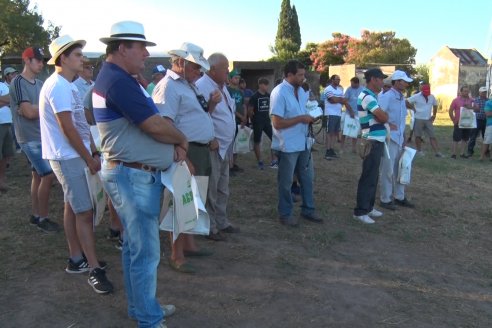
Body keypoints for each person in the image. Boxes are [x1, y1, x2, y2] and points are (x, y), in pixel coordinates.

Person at [94, 21, 184, 327]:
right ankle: (149, 318)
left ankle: (142, 308)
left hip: (130, 174)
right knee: (144, 252)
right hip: (132, 176)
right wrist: (181, 139)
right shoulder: (118, 81)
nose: (146, 54)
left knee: (135, 247)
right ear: (122, 48)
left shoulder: (119, 78)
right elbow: (153, 124)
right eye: (141, 47)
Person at [39, 35, 112, 293]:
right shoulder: (58, 86)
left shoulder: (68, 85)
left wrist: (92, 149)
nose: (83, 59)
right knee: (84, 211)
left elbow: (79, 126)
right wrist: (88, 157)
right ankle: (93, 268)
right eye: (78, 55)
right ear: (63, 58)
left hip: (73, 155)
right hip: (67, 156)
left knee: (73, 206)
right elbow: (67, 127)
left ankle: (76, 258)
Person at [152, 42, 215, 273]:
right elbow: (164, 123)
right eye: (196, 66)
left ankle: (188, 244)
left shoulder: (188, 85)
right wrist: (180, 153)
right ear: (180, 63)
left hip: (198, 150)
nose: (200, 72)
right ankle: (176, 254)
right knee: (180, 200)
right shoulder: (168, 86)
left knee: (193, 199)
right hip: (183, 152)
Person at [9, 46, 60, 232]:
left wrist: (39, 110)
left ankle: (36, 215)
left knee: (38, 176)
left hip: (40, 136)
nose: (41, 63)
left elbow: (33, 110)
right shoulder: (18, 82)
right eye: (37, 60)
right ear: (27, 60)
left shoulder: (39, 84)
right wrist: (46, 110)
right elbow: (29, 113)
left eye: (41, 60)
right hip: (28, 138)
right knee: (47, 175)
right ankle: (43, 219)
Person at [270, 60, 323, 227]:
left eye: (303, 74)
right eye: (300, 75)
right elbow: (277, 123)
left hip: (304, 143)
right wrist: (301, 118)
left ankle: (308, 209)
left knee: (307, 179)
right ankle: (285, 214)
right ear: (289, 75)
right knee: (285, 183)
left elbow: (305, 110)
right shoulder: (279, 93)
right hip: (287, 146)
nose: (303, 78)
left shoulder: (302, 91)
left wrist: (312, 116)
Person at [196, 53, 240, 241]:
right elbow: (199, 117)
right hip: (212, 147)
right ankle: (210, 226)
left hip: (224, 147)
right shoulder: (202, 86)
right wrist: (211, 138)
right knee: (210, 189)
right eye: (224, 69)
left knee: (223, 187)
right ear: (212, 69)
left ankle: (221, 221)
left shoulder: (222, 87)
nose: (228, 72)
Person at [353, 68, 389, 224]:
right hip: (371, 140)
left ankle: (368, 207)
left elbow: (382, 116)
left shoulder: (372, 96)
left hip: (376, 139)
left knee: (373, 175)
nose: (383, 82)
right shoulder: (368, 97)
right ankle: (360, 211)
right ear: (374, 79)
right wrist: (383, 117)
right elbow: (382, 116)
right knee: (368, 176)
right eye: (381, 79)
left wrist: (382, 117)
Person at [378, 70, 415, 210]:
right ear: (397, 81)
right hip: (389, 137)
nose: (406, 83)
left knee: (401, 167)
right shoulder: (386, 97)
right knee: (388, 169)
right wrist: (388, 125)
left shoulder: (401, 98)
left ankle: (399, 196)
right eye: (404, 81)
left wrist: (404, 135)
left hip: (399, 138)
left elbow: (401, 120)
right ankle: (385, 198)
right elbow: (377, 114)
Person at [406, 84, 443, 157]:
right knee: (418, 136)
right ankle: (419, 151)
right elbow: (406, 102)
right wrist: (412, 108)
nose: (427, 94)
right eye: (425, 92)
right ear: (421, 91)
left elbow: (435, 105)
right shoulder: (416, 96)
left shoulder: (432, 97)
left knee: (432, 135)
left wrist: (434, 115)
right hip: (418, 118)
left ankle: (437, 152)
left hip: (428, 119)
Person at [248, 77, 278, 169]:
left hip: (266, 121)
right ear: (260, 85)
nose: (267, 87)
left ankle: (274, 160)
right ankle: (260, 161)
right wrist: (252, 120)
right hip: (257, 122)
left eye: (267, 85)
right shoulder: (254, 96)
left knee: (275, 139)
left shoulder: (268, 96)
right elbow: (250, 110)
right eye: (265, 85)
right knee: (257, 141)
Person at [323, 74, 353, 159]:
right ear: (332, 80)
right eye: (337, 79)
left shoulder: (340, 90)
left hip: (338, 114)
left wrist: (339, 100)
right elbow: (332, 100)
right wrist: (340, 99)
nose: (338, 81)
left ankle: (331, 149)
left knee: (335, 133)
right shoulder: (328, 89)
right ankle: (327, 151)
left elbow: (344, 101)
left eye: (339, 79)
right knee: (329, 133)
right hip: (330, 113)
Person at [227, 69, 246, 174]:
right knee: (231, 143)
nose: (237, 80)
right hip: (232, 120)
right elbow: (230, 107)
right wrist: (240, 116)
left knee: (237, 143)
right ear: (230, 79)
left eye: (238, 78)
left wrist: (245, 117)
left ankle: (234, 163)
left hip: (241, 120)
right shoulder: (227, 90)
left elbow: (243, 105)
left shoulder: (240, 91)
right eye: (235, 78)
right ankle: (229, 166)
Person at [449, 86, 474, 159]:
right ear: (461, 92)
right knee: (456, 138)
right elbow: (450, 110)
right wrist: (453, 119)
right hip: (458, 122)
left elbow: (476, 108)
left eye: (467, 91)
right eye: (465, 91)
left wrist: (470, 107)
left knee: (465, 139)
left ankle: (462, 153)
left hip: (468, 122)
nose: (466, 93)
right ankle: (453, 154)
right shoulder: (456, 100)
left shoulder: (472, 100)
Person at [0, 73, 14, 191]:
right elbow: (9, 99)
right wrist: (7, 100)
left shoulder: (3, 86)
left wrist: (7, 99)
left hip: (7, 123)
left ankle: (2, 181)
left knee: (6, 154)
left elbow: (12, 98)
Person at [342, 76, 363, 153]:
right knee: (345, 131)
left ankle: (353, 148)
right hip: (349, 113)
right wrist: (350, 111)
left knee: (355, 131)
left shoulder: (363, 89)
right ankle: (342, 147)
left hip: (358, 114)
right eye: (351, 83)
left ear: (357, 83)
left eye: (352, 84)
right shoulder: (349, 89)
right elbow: (345, 101)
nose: (351, 85)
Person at [467, 86, 488, 157]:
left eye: (485, 92)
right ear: (479, 92)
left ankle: (486, 152)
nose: (484, 93)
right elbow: (472, 109)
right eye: (483, 92)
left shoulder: (488, 101)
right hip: (477, 120)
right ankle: (470, 151)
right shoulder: (475, 100)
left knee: (486, 137)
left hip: (486, 121)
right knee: (473, 136)